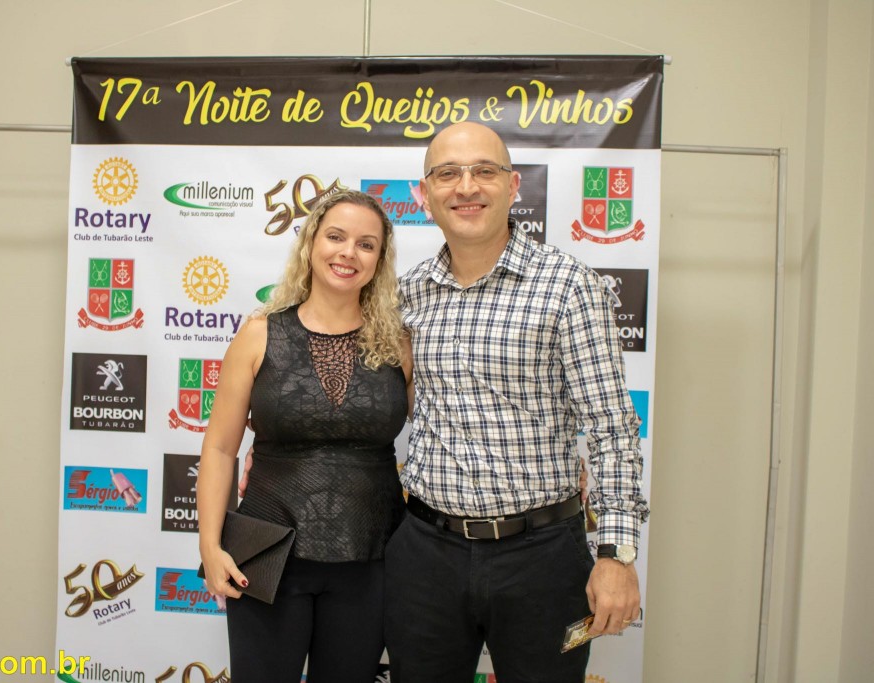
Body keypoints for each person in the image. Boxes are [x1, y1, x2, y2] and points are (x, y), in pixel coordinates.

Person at [383, 121, 649, 683]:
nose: (466, 187)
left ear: (513, 185)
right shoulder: (408, 293)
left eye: (484, 170)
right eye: (447, 174)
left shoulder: (570, 286)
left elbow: (613, 429)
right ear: (424, 194)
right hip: (425, 555)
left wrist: (617, 555)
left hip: (542, 558)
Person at [197, 189, 412, 683]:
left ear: (379, 260)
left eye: (366, 244)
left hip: (370, 558)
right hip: (265, 554)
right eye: (336, 237)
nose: (348, 253)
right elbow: (221, 447)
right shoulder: (259, 334)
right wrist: (209, 544)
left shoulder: (400, 344)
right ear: (311, 242)